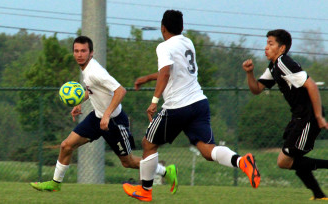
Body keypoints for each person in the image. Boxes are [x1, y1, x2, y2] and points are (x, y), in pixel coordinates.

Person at [123, 10, 261, 202]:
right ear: (182, 27)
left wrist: (154, 101)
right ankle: (241, 161)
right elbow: (175, 71)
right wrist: (147, 78)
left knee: (148, 143)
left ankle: (146, 190)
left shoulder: (163, 46)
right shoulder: (188, 42)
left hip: (176, 107)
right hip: (198, 103)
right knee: (207, 150)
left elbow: (165, 73)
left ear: (163, 28)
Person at [30, 36, 177, 192]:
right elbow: (93, 90)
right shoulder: (87, 71)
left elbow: (120, 91)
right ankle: (55, 183)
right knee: (66, 146)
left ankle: (165, 171)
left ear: (91, 53)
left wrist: (106, 115)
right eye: (76, 51)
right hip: (97, 118)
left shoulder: (95, 71)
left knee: (128, 162)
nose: (79, 54)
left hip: (114, 122)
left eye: (83, 51)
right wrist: (80, 101)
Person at [242, 29, 328, 201]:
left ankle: (319, 193)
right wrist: (249, 73)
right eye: (266, 43)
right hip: (299, 117)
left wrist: (318, 116)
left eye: (270, 44)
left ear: (281, 48)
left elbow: (312, 86)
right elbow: (257, 89)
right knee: (293, 159)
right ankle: (319, 195)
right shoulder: (274, 66)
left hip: (308, 117)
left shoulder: (283, 63)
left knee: (284, 161)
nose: (266, 47)